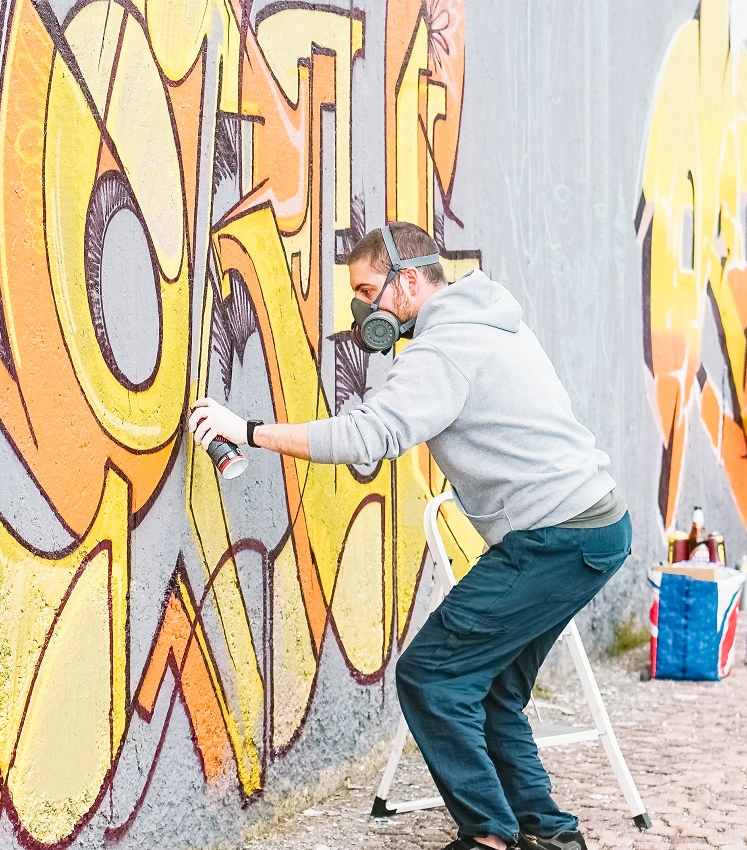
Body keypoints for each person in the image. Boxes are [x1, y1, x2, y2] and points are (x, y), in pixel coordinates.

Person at [189, 221, 628, 850]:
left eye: (369, 291)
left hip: (555, 536)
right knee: (495, 690)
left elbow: (369, 436)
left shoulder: (444, 348)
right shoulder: (486, 319)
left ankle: (489, 836)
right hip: (589, 526)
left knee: (430, 676)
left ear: (411, 280)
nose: (363, 308)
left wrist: (249, 429)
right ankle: (552, 835)